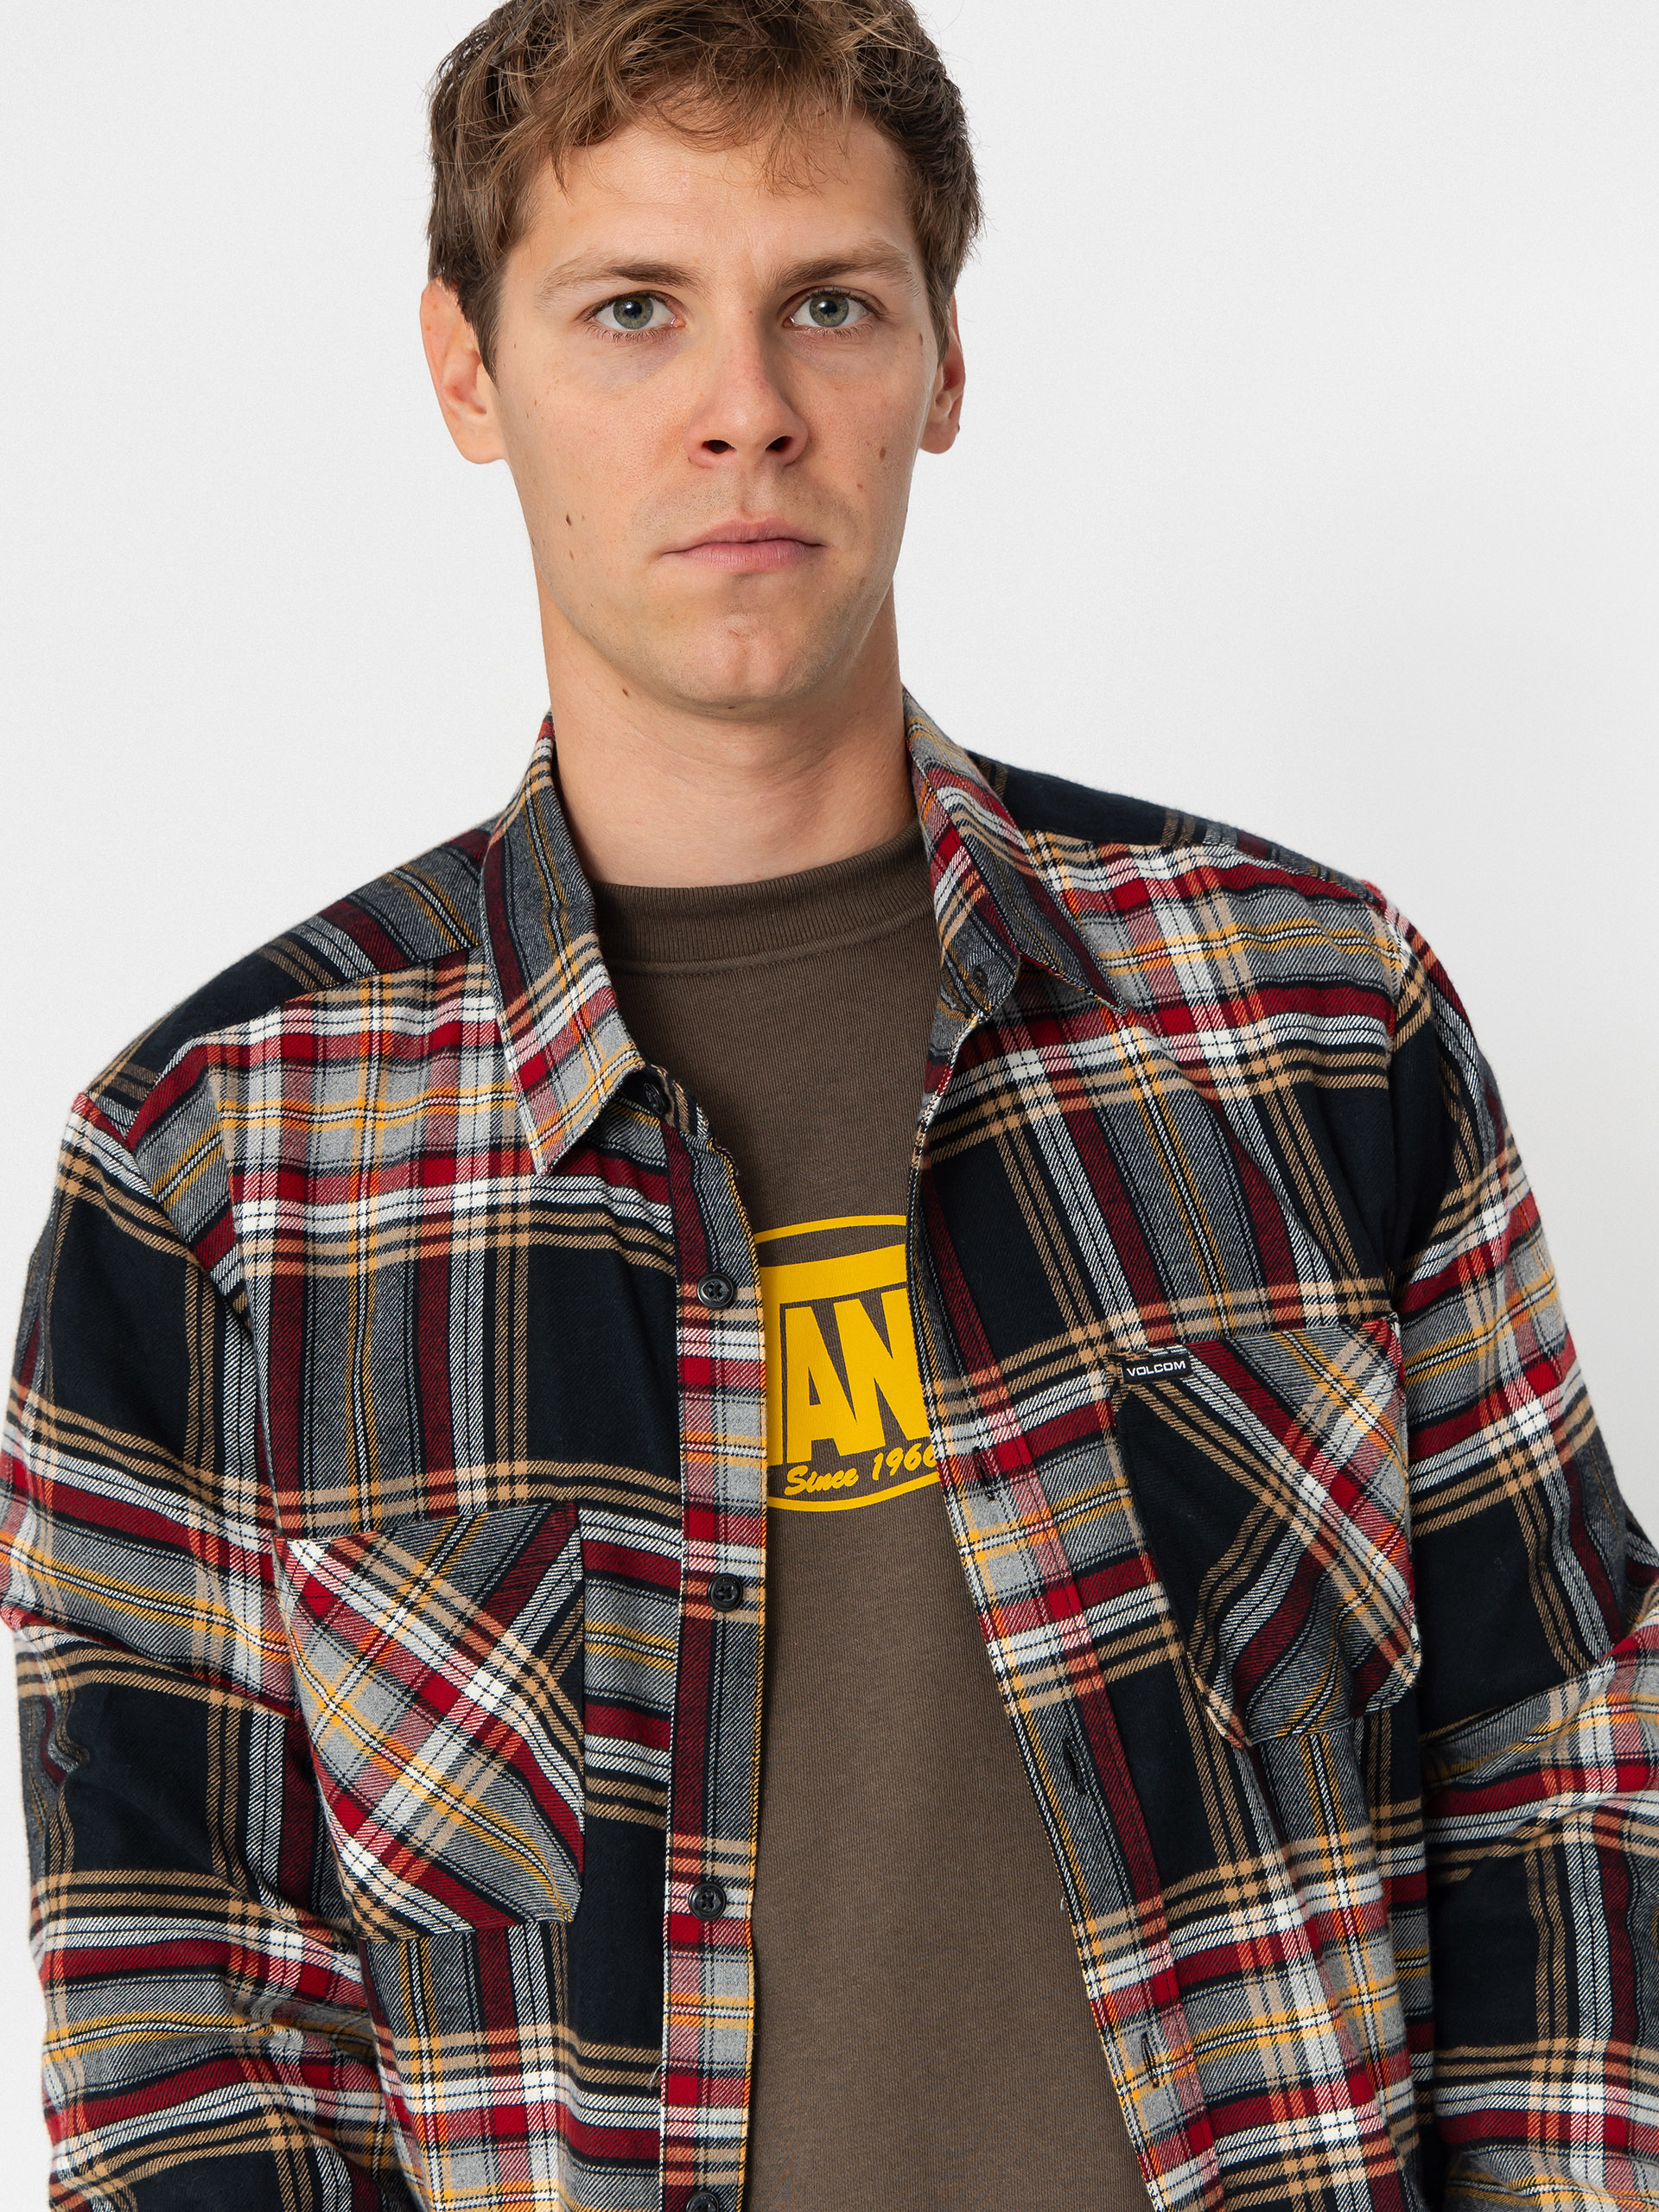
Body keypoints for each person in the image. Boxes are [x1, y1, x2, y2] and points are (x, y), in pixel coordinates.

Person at [3, 1, 1655, 2207]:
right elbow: (188, 2033)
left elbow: (1561, 1768)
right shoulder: (220, 1171)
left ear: (943, 363)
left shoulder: (1315, 1021)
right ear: (467, 372)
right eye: (633, 309)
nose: (747, 409)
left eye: (831, 305)